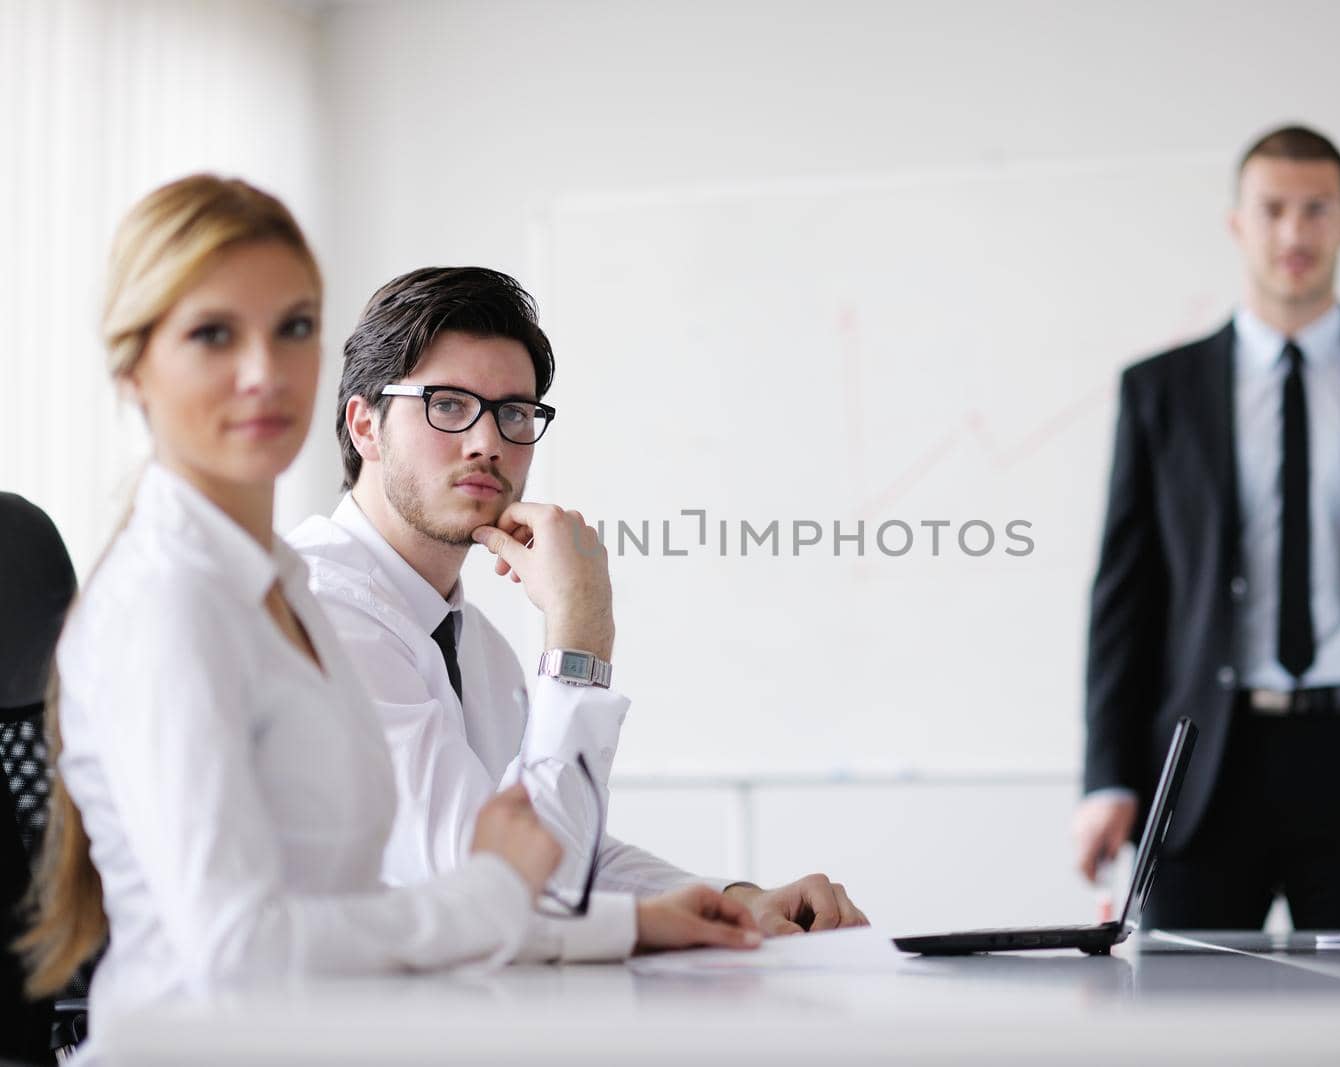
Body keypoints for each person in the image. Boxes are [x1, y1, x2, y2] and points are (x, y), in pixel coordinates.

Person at [19, 177, 761, 1048]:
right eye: (214, 334)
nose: (264, 370)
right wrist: (580, 640)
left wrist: (670, 916)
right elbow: (246, 949)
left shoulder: (290, 593)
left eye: (293, 328)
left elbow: (433, 883)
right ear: (363, 423)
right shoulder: (177, 603)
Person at [288, 266, 869, 937]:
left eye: (513, 413)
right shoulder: (321, 611)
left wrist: (737, 898)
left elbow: (552, 844)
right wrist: (580, 636)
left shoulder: (474, 643)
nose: (488, 443)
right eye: (447, 404)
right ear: (365, 427)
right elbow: (511, 885)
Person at [1073, 125, 1340, 930]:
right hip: (1201, 767)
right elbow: (1125, 599)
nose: (1294, 233)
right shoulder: (1160, 391)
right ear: (1238, 223)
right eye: (1273, 210)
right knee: (1185, 1032)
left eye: (1316, 209)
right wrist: (1108, 779)